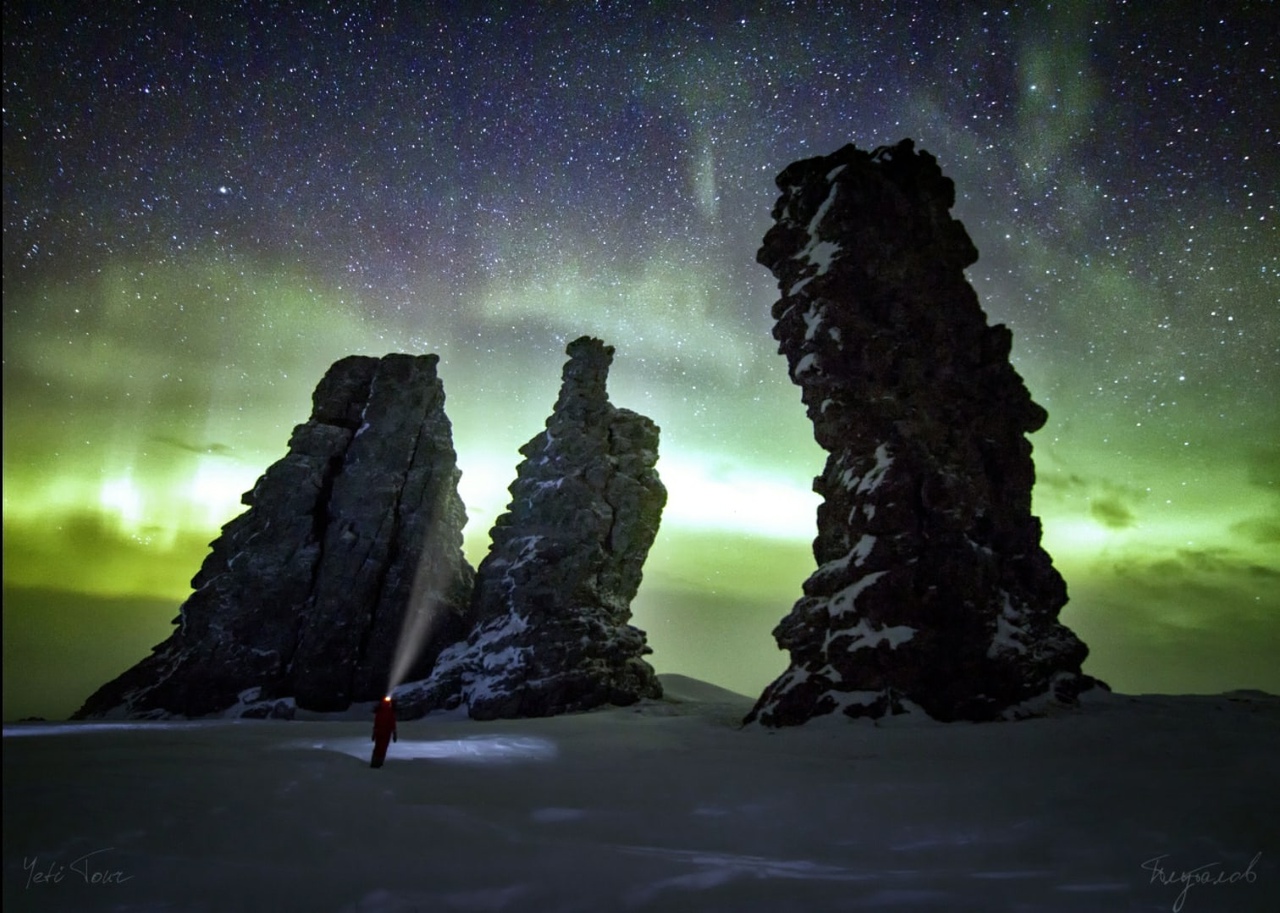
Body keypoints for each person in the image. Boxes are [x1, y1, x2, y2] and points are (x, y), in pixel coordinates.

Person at [370, 696, 397, 768]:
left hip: (379, 732)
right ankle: (379, 763)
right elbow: (392, 723)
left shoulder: (379, 711)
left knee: (377, 747)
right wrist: (394, 733)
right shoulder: (390, 712)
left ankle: (374, 762)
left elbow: (376, 723)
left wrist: (374, 734)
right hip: (386, 733)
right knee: (383, 748)